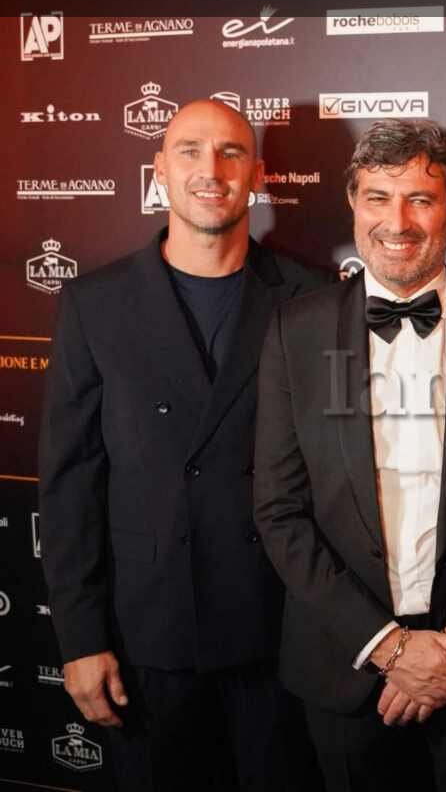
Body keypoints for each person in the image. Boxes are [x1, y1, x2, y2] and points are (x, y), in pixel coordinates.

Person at [38, 99, 327, 790]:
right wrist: (81, 639)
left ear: (258, 175)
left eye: (231, 152)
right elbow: (71, 487)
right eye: (190, 151)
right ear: (159, 170)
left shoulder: (311, 299)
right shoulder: (94, 304)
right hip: (148, 640)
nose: (210, 169)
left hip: (279, 637)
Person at [252, 118, 446, 792]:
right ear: (353, 204)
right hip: (344, 670)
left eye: (420, 199)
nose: (396, 222)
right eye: (377, 197)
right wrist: (391, 647)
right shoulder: (295, 331)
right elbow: (279, 511)